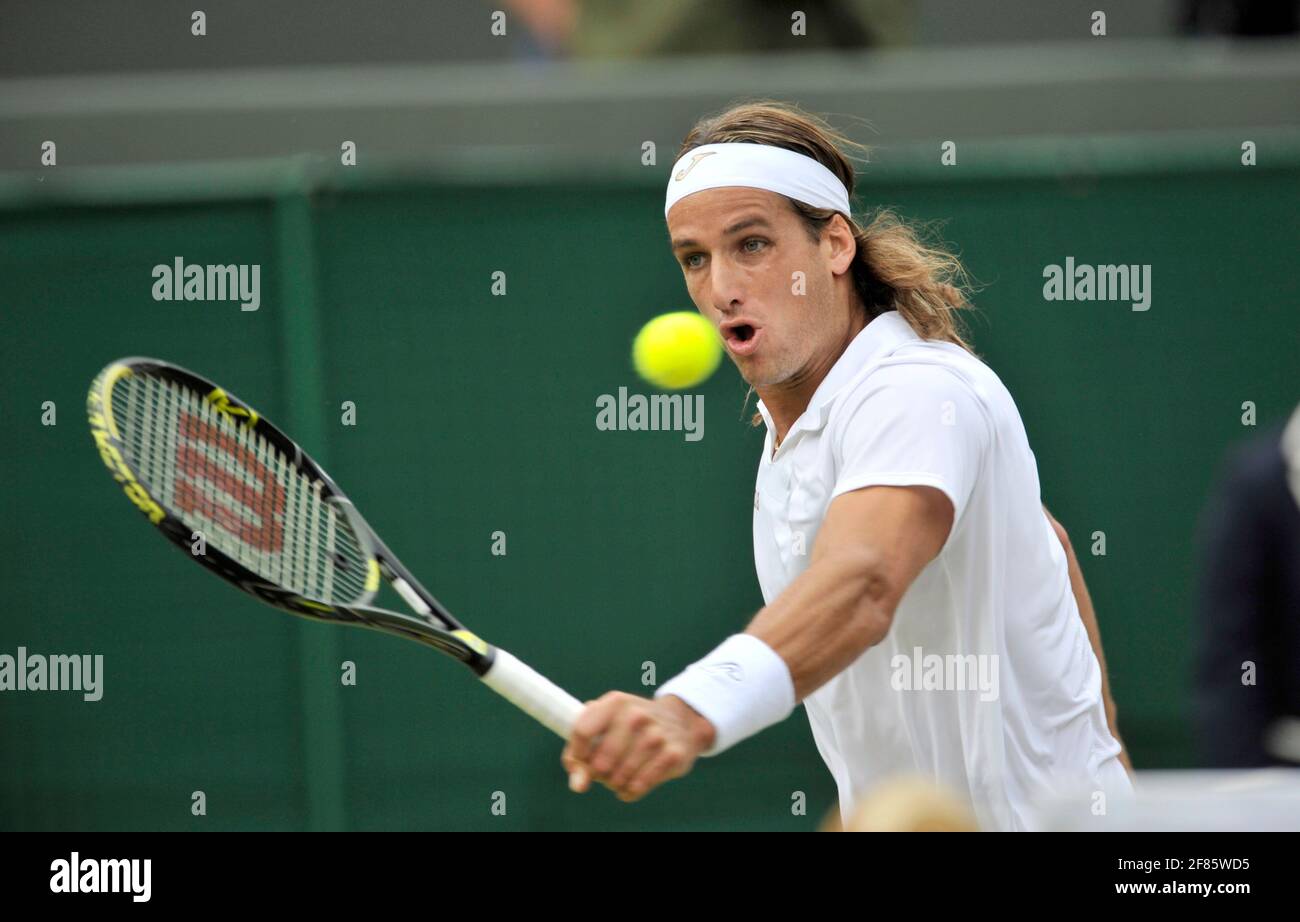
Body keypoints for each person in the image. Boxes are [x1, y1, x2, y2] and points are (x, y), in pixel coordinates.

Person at [561, 100, 1131, 830]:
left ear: (835, 245)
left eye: (753, 244)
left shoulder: (916, 389)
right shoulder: (801, 425)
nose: (721, 286)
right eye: (694, 258)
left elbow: (861, 585)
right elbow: (1045, 543)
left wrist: (688, 710)